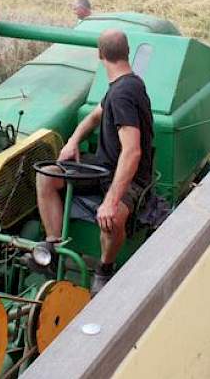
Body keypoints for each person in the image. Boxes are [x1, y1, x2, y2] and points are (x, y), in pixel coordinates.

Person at [35, 29, 154, 295]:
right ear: (126, 52)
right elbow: (93, 117)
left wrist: (111, 201)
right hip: (103, 168)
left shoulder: (124, 94)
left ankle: (104, 269)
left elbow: (132, 152)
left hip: (129, 177)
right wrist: (72, 141)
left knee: (111, 220)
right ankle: (53, 248)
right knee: (46, 176)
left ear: (100, 55)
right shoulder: (121, 86)